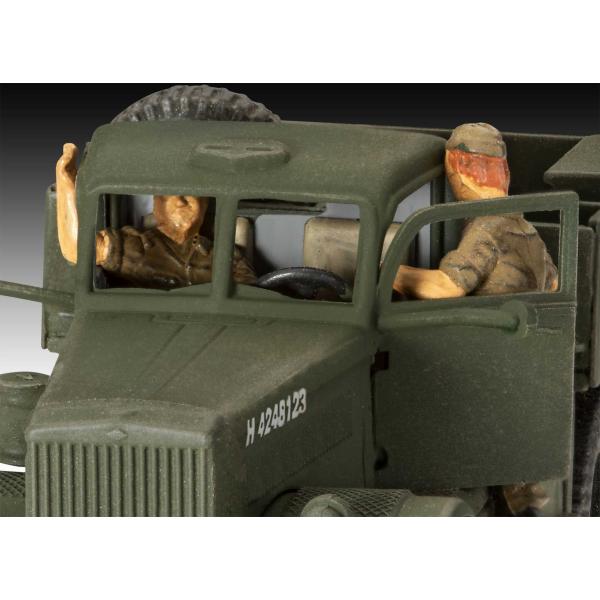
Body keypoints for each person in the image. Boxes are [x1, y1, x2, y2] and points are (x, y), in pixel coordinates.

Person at [393, 123, 558, 516]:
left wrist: (393, 273)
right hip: (517, 353)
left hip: (486, 358)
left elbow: (447, 286)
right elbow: (553, 283)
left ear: (460, 167)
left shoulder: (488, 225)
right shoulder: (522, 225)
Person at [55, 143, 256, 290]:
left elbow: (251, 300)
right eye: (169, 195)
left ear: (205, 205)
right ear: (156, 204)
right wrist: (66, 183)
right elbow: (77, 250)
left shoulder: (227, 257)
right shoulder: (133, 247)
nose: (181, 201)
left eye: (192, 194)